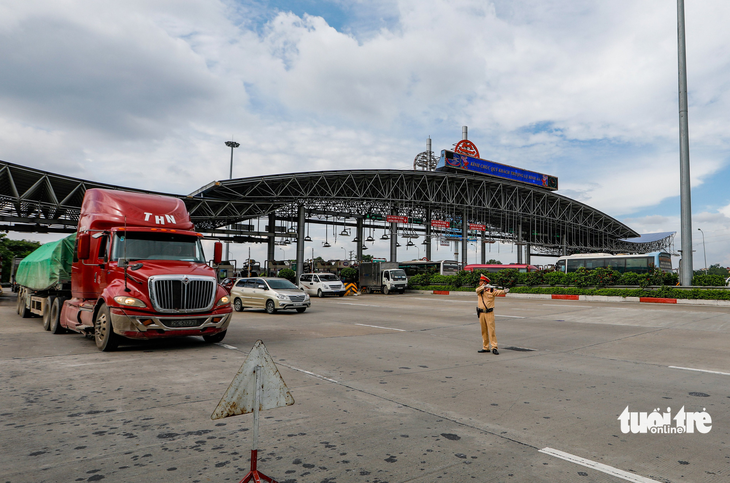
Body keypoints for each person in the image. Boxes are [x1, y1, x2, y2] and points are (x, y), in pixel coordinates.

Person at [476, 274, 508, 355]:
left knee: (491, 331)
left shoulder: (491, 290)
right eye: (480, 281)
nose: (479, 282)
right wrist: (484, 287)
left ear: (485, 282)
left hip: (489, 312)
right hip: (481, 313)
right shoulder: (480, 290)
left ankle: (494, 347)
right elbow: (477, 290)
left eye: (481, 281)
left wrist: (505, 290)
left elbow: (498, 292)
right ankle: (485, 347)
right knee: (484, 331)